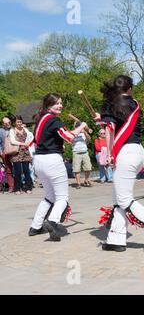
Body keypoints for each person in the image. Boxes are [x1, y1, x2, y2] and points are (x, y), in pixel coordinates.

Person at [97, 75, 144, 252]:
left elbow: (111, 130)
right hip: (137, 150)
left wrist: (110, 153)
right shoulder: (134, 104)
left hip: (124, 152)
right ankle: (116, 239)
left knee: (124, 198)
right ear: (130, 89)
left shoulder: (110, 104)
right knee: (118, 198)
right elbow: (121, 123)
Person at [29, 93, 87, 241]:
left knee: (49, 197)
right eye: (57, 103)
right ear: (49, 105)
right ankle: (53, 222)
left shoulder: (40, 119)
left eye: (61, 103)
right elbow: (69, 137)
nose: (60, 105)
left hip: (39, 160)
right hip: (52, 160)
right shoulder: (53, 120)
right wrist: (82, 127)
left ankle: (35, 226)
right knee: (62, 197)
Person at [8, 116, 33, 195]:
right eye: (18, 122)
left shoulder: (25, 129)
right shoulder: (12, 130)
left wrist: (28, 144)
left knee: (27, 171)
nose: (19, 123)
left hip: (25, 151)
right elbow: (12, 141)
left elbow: (30, 138)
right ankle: (17, 188)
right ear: (15, 123)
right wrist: (22, 143)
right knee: (18, 171)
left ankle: (28, 187)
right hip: (16, 152)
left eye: (20, 122)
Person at [72, 122, 93, 189]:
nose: (78, 127)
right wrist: (76, 132)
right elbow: (69, 140)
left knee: (88, 168)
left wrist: (84, 132)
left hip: (85, 152)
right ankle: (78, 183)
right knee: (77, 169)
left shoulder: (83, 134)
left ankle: (86, 180)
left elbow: (89, 139)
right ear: (75, 127)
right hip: (76, 152)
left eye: (79, 126)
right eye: (77, 126)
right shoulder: (73, 133)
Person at [0, 116, 14, 193]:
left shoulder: (14, 130)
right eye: (6, 123)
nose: (8, 124)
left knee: (17, 169)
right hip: (5, 153)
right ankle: (11, 186)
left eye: (9, 122)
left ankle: (18, 185)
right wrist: (1, 152)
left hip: (15, 153)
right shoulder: (0, 131)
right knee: (8, 170)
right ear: (3, 124)